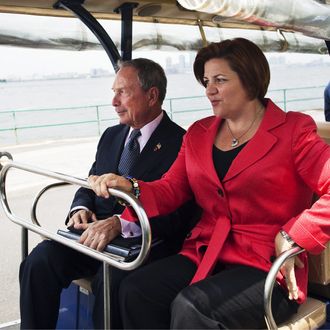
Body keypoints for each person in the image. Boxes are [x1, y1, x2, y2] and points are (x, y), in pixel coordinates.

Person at [89, 38, 330, 329]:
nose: (209, 90)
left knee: (191, 308)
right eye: (205, 81)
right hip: (206, 252)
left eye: (220, 80)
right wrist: (133, 187)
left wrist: (294, 236)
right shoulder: (198, 134)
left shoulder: (293, 130)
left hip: (267, 265)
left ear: (250, 81)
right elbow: (171, 189)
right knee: (135, 290)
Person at [19, 58, 199, 329]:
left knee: (111, 284)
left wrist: (121, 224)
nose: (114, 102)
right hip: (92, 235)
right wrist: (79, 207)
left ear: (152, 95)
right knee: (39, 261)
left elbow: (178, 210)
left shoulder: (180, 142)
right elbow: (90, 181)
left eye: (123, 92)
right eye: (113, 93)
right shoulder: (111, 136)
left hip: (143, 244)